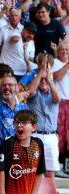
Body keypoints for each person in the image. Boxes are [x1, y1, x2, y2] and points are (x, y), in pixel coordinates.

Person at [0, 110, 45, 194]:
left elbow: (39, 172)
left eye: (24, 123)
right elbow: (0, 170)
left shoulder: (38, 144)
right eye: (17, 122)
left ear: (33, 127)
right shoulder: (9, 143)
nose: (19, 125)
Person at [25, 59, 61, 179]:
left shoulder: (53, 92)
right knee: (33, 167)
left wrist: (49, 79)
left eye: (46, 79)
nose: (43, 81)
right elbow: (30, 91)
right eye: (41, 79)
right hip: (35, 135)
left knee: (50, 170)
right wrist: (41, 73)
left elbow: (57, 98)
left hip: (51, 136)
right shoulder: (34, 93)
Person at [52, 41, 69, 178]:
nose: (64, 51)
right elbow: (56, 76)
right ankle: (58, 165)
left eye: (67, 49)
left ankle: (66, 164)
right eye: (62, 49)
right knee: (60, 134)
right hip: (61, 102)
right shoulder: (56, 63)